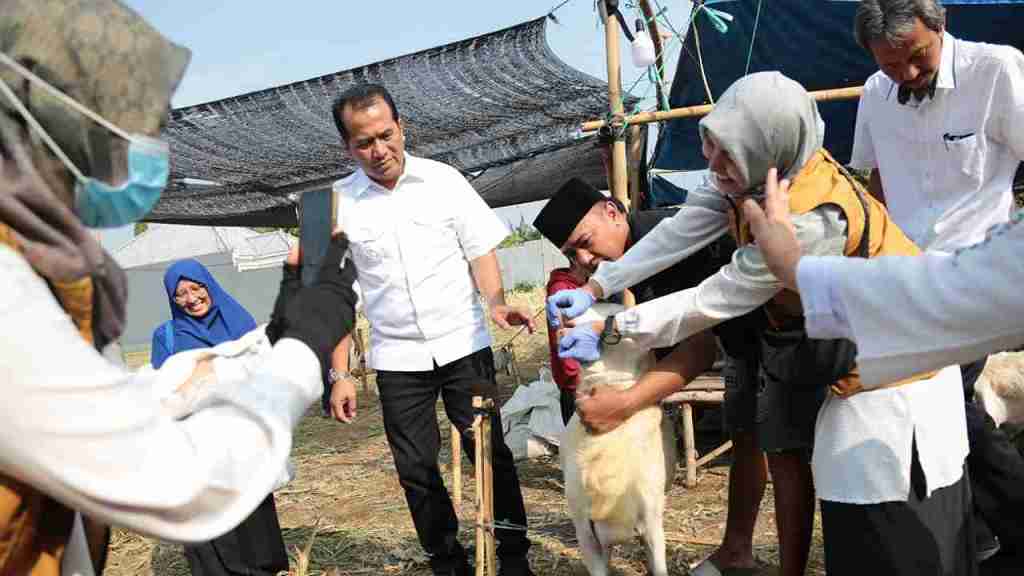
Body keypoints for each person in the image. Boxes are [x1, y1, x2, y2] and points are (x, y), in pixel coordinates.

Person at [553, 71, 972, 576]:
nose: (712, 163)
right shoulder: (748, 174)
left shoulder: (815, 218)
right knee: (834, 497)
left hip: (896, 377)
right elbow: (685, 226)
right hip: (830, 355)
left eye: (726, 151)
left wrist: (612, 328)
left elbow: (722, 295)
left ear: (768, 145)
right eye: (711, 145)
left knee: (897, 526)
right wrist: (598, 287)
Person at [0, 2, 358, 574]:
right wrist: (306, 345)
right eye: (141, 122)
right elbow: (181, 480)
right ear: (58, 120)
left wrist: (287, 322)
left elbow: (105, 414)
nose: (155, 147)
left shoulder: (47, 271)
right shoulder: (7, 289)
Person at [325, 83, 536, 576]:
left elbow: (479, 249)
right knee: (416, 470)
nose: (379, 150)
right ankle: (447, 562)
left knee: (488, 454)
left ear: (402, 127)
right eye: (363, 143)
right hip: (397, 361)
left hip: (466, 345)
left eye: (386, 134)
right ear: (347, 148)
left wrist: (497, 303)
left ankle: (513, 557)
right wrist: (341, 373)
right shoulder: (330, 208)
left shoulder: (446, 180)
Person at [850, 0, 1024, 563]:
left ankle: (998, 527)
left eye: (916, 58)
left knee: (946, 394)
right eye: (889, 64)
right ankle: (975, 533)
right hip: (908, 281)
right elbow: (873, 183)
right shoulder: (876, 94)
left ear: (940, 27)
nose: (904, 75)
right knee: (932, 407)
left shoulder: (995, 70)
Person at [533, 177, 735, 431]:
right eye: (571, 254)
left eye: (585, 242)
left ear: (612, 213)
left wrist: (625, 402)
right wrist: (590, 291)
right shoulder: (630, 252)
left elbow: (698, 347)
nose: (584, 259)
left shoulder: (665, 238)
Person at [151, 260, 288, 576]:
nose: (191, 298)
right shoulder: (167, 337)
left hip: (244, 438)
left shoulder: (241, 323)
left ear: (209, 285)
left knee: (254, 521)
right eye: (180, 294)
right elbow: (163, 391)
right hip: (200, 443)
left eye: (196, 288)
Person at [544, 261, 589, 425]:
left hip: (586, 378)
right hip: (576, 384)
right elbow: (563, 339)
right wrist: (576, 378)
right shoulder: (561, 289)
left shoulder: (584, 285)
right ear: (575, 259)